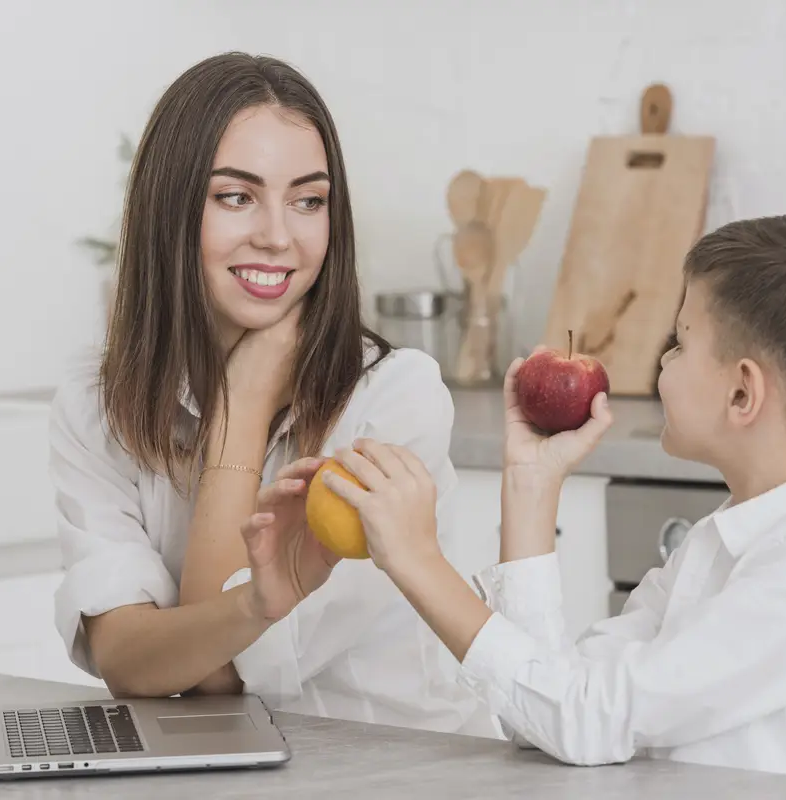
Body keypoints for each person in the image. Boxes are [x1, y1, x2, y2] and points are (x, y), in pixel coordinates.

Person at [303, 215, 786, 791]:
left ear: (743, 395)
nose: (659, 362)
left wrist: (417, 562)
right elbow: (550, 717)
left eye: (680, 342)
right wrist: (531, 488)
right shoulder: (722, 545)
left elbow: (582, 719)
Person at [48, 51, 493, 737]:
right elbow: (125, 660)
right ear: (169, 211)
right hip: (218, 769)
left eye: (308, 201)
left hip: (395, 769)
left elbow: (214, 677)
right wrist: (242, 397)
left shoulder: (394, 400)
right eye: (235, 196)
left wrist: (241, 407)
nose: (279, 236)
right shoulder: (96, 400)